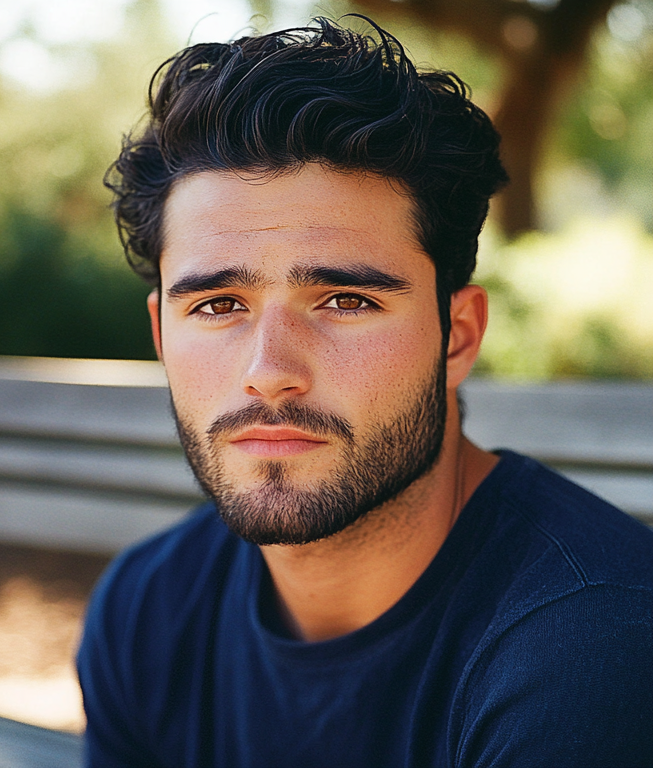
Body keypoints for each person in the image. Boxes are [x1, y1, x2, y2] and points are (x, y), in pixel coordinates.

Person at [77, 17, 653, 768]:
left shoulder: (592, 651)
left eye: (345, 300)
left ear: (459, 334)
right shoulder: (146, 608)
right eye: (217, 305)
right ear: (161, 337)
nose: (269, 368)